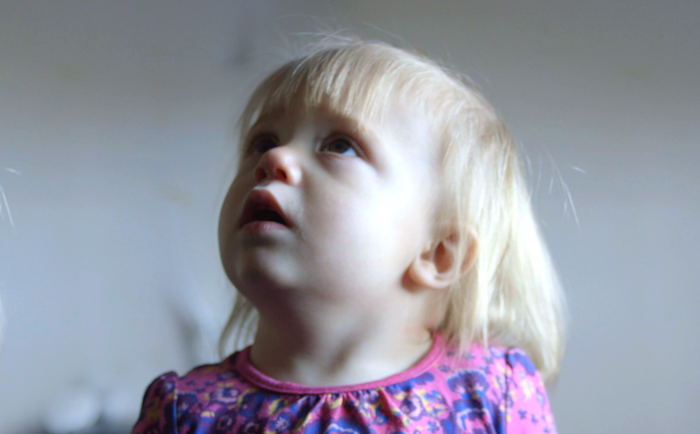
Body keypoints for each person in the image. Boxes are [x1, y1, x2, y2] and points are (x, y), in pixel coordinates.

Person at [132, 38, 566, 434]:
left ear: (437, 253)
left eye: (339, 145)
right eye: (263, 142)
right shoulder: (182, 411)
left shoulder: (494, 392)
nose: (275, 158)